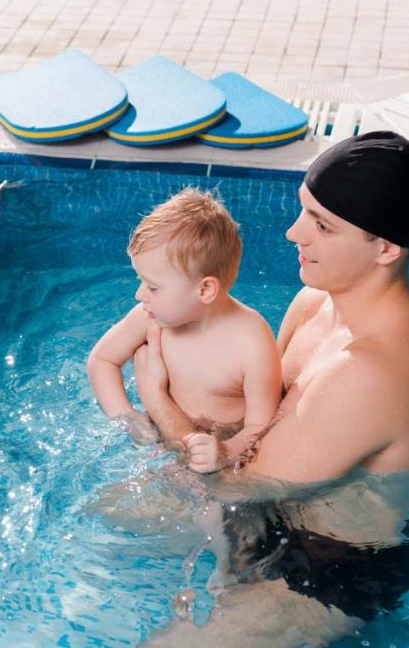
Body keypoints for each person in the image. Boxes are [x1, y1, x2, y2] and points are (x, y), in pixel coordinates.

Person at [132, 131, 409, 645]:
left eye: (321, 225)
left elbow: (237, 481)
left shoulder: (370, 371)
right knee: (98, 521)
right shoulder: (315, 303)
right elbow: (256, 426)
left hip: (327, 572)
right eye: (303, 210)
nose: (293, 233)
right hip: (269, 516)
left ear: (386, 248)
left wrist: (156, 397)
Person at [87, 189, 281, 468]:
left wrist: (225, 451)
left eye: (153, 286)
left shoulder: (251, 342)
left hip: (223, 446)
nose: (140, 294)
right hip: (165, 436)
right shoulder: (149, 317)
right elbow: (102, 360)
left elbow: (261, 428)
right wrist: (127, 417)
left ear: (204, 289)